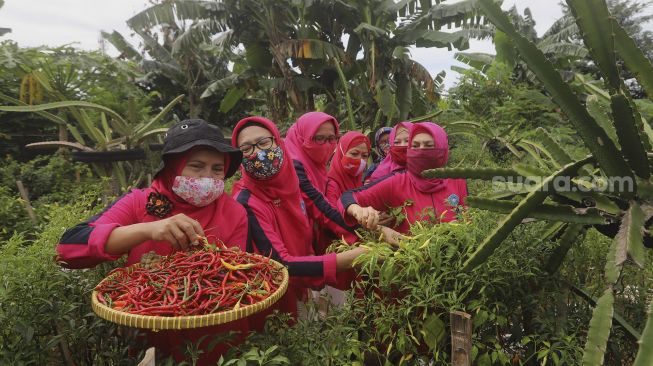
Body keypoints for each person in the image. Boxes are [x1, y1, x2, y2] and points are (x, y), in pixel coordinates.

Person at [56, 119, 249, 364]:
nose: (207, 177)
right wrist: (148, 229)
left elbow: (232, 280)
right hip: (151, 335)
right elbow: (67, 248)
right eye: (196, 166)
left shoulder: (234, 213)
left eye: (217, 169)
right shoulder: (140, 203)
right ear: (172, 167)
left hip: (215, 338)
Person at [232, 116, 384, 321]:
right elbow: (279, 263)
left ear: (278, 141)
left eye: (264, 143)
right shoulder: (247, 202)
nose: (258, 153)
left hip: (302, 282)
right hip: (276, 296)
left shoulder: (289, 181)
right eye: (246, 149)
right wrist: (350, 257)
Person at [340, 122, 468, 234]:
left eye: (429, 145)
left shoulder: (457, 180)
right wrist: (358, 210)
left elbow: (468, 219)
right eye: (416, 145)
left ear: (443, 149)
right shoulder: (397, 182)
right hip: (408, 259)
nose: (421, 150)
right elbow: (347, 197)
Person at [284, 111, 358, 252]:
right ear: (302, 137)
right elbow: (319, 206)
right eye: (319, 138)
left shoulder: (316, 165)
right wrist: (361, 230)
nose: (326, 145)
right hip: (293, 244)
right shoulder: (294, 167)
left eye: (331, 138)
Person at [325, 131, 371, 207]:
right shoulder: (332, 185)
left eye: (364, 156)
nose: (360, 159)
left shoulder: (358, 181)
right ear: (341, 153)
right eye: (354, 154)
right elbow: (333, 216)